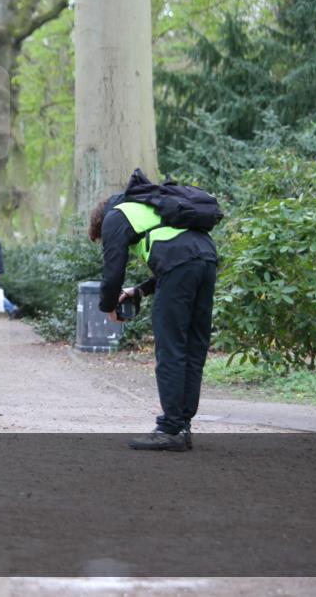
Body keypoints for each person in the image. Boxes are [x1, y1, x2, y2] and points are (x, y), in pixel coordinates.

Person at [89, 186, 217, 452]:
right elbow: (181, 253)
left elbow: (113, 272)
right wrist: (140, 290)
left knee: (171, 349)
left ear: (99, 223)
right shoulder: (154, 207)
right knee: (193, 348)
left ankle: (170, 429)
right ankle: (182, 425)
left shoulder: (116, 216)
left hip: (182, 265)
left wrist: (108, 305)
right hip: (207, 259)